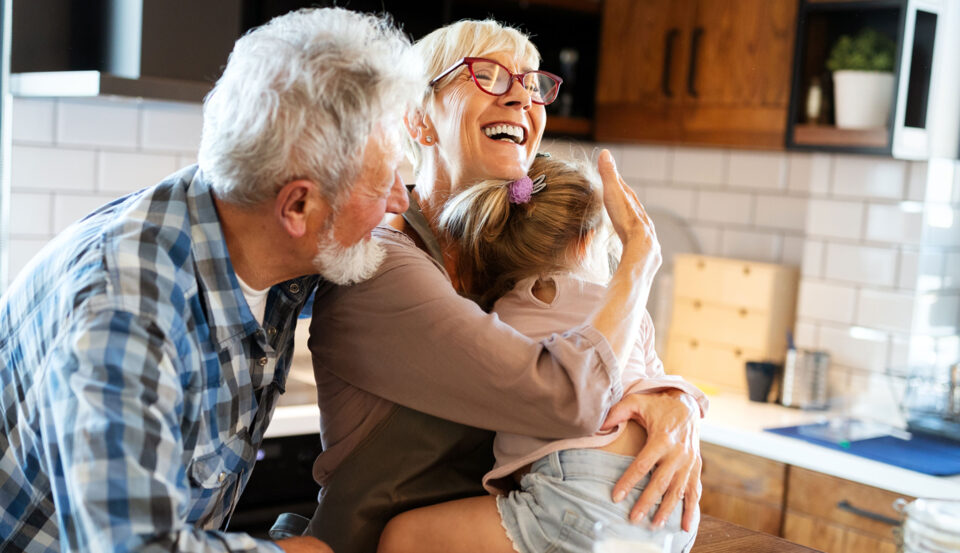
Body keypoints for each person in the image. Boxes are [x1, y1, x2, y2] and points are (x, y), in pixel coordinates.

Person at [0, 8, 422, 553]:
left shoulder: (266, 245)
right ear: (298, 205)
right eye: (383, 180)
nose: (399, 200)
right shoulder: (125, 308)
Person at [302, 19, 706, 553]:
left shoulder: (521, 259)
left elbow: (619, 356)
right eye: (487, 75)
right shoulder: (381, 262)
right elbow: (568, 396)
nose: (521, 96)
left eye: (532, 83)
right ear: (419, 119)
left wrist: (674, 401)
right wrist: (638, 261)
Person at [377, 155, 704, 553]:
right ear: (587, 241)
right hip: (669, 512)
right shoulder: (628, 309)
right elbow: (660, 385)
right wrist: (683, 398)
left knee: (404, 536)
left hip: (578, 495)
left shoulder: (498, 315)